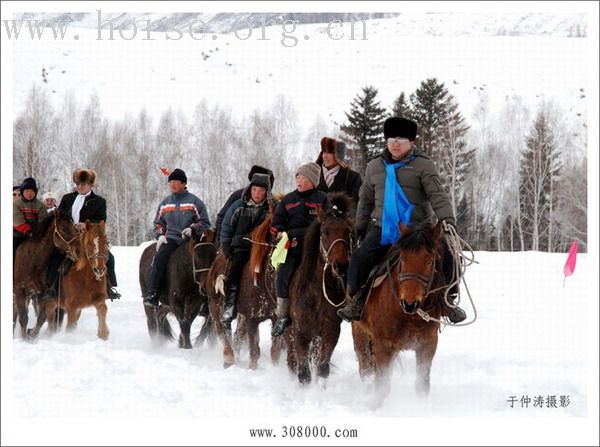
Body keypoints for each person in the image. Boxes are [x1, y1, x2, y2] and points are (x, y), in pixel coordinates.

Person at [337, 117, 467, 323]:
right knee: (360, 258)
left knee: (449, 255)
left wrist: (448, 220)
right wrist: (360, 226)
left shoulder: (423, 165)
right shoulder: (374, 167)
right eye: (390, 138)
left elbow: (437, 195)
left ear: (411, 142)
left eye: (400, 139)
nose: (395, 143)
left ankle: (448, 301)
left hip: (417, 231)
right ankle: (356, 300)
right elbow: (366, 200)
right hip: (383, 228)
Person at [270, 162, 328, 337]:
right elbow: (276, 222)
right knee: (283, 274)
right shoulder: (288, 200)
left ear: (312, 181)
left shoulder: (323, 199)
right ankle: (283, 314)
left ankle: (335, 308)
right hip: (294, 247)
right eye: (297, 177)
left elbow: (332, 220)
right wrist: (279, 232)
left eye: (303, 177)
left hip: (317, 248)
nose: (299, 181)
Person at [45, 169, 122, 301]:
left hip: (88, 237)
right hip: (69, 238)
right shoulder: (67, 198)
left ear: (91, 185)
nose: (80, 186)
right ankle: (51, 287)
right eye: (78, 183)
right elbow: (61, 217)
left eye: (83, 184)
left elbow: (101, 220)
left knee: (109, 257)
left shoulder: (99, 201)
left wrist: (86, 225)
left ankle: (109, 287)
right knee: (56, 256)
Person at [143, 168, 211, 308]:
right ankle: (153, 293)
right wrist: (160, 235)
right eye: (171, 182)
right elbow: (158, 223)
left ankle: (206, 299)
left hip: (191, 241)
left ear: (184, 183)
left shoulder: (195, 202)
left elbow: (205, 222)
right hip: (172, 240)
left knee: (205, 260)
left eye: (176, 182)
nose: (173, 185)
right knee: (159, 258)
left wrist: (193, 229)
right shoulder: (165, 203)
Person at [220, 173, 272, 323]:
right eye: (254, 190)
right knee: (234, 272)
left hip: (263, 248)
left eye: (261, 191)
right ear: (250, 189)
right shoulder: (238, 206)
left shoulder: (271, 208)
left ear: (266, 192)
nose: (257, 194)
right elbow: (226, 226)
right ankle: (230, 305)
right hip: (242, 247)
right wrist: (226, 244)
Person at [215, 165, 275, 247]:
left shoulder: (271, 202)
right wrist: (222, 242)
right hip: (236, 243)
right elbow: (223, 217)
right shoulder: (239, 197)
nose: (257, 193)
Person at [315, 137, 362, 207]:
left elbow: (355, 206)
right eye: (324, 152)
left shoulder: (353, 177)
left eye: (329, 153)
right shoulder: (313, 174)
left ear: (338, 155)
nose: (325, 156)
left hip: (342, 218)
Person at [13, 177, 44, 262]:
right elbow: (17, 220)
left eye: (32, 191)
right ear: (22, 192)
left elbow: (44, 220)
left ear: (35, 192)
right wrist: (28, 231)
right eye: (27, 191)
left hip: (36, 233)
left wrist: (39, 231)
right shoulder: (16, 204)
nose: (29, 194)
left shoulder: (41, 205)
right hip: (18, 234)